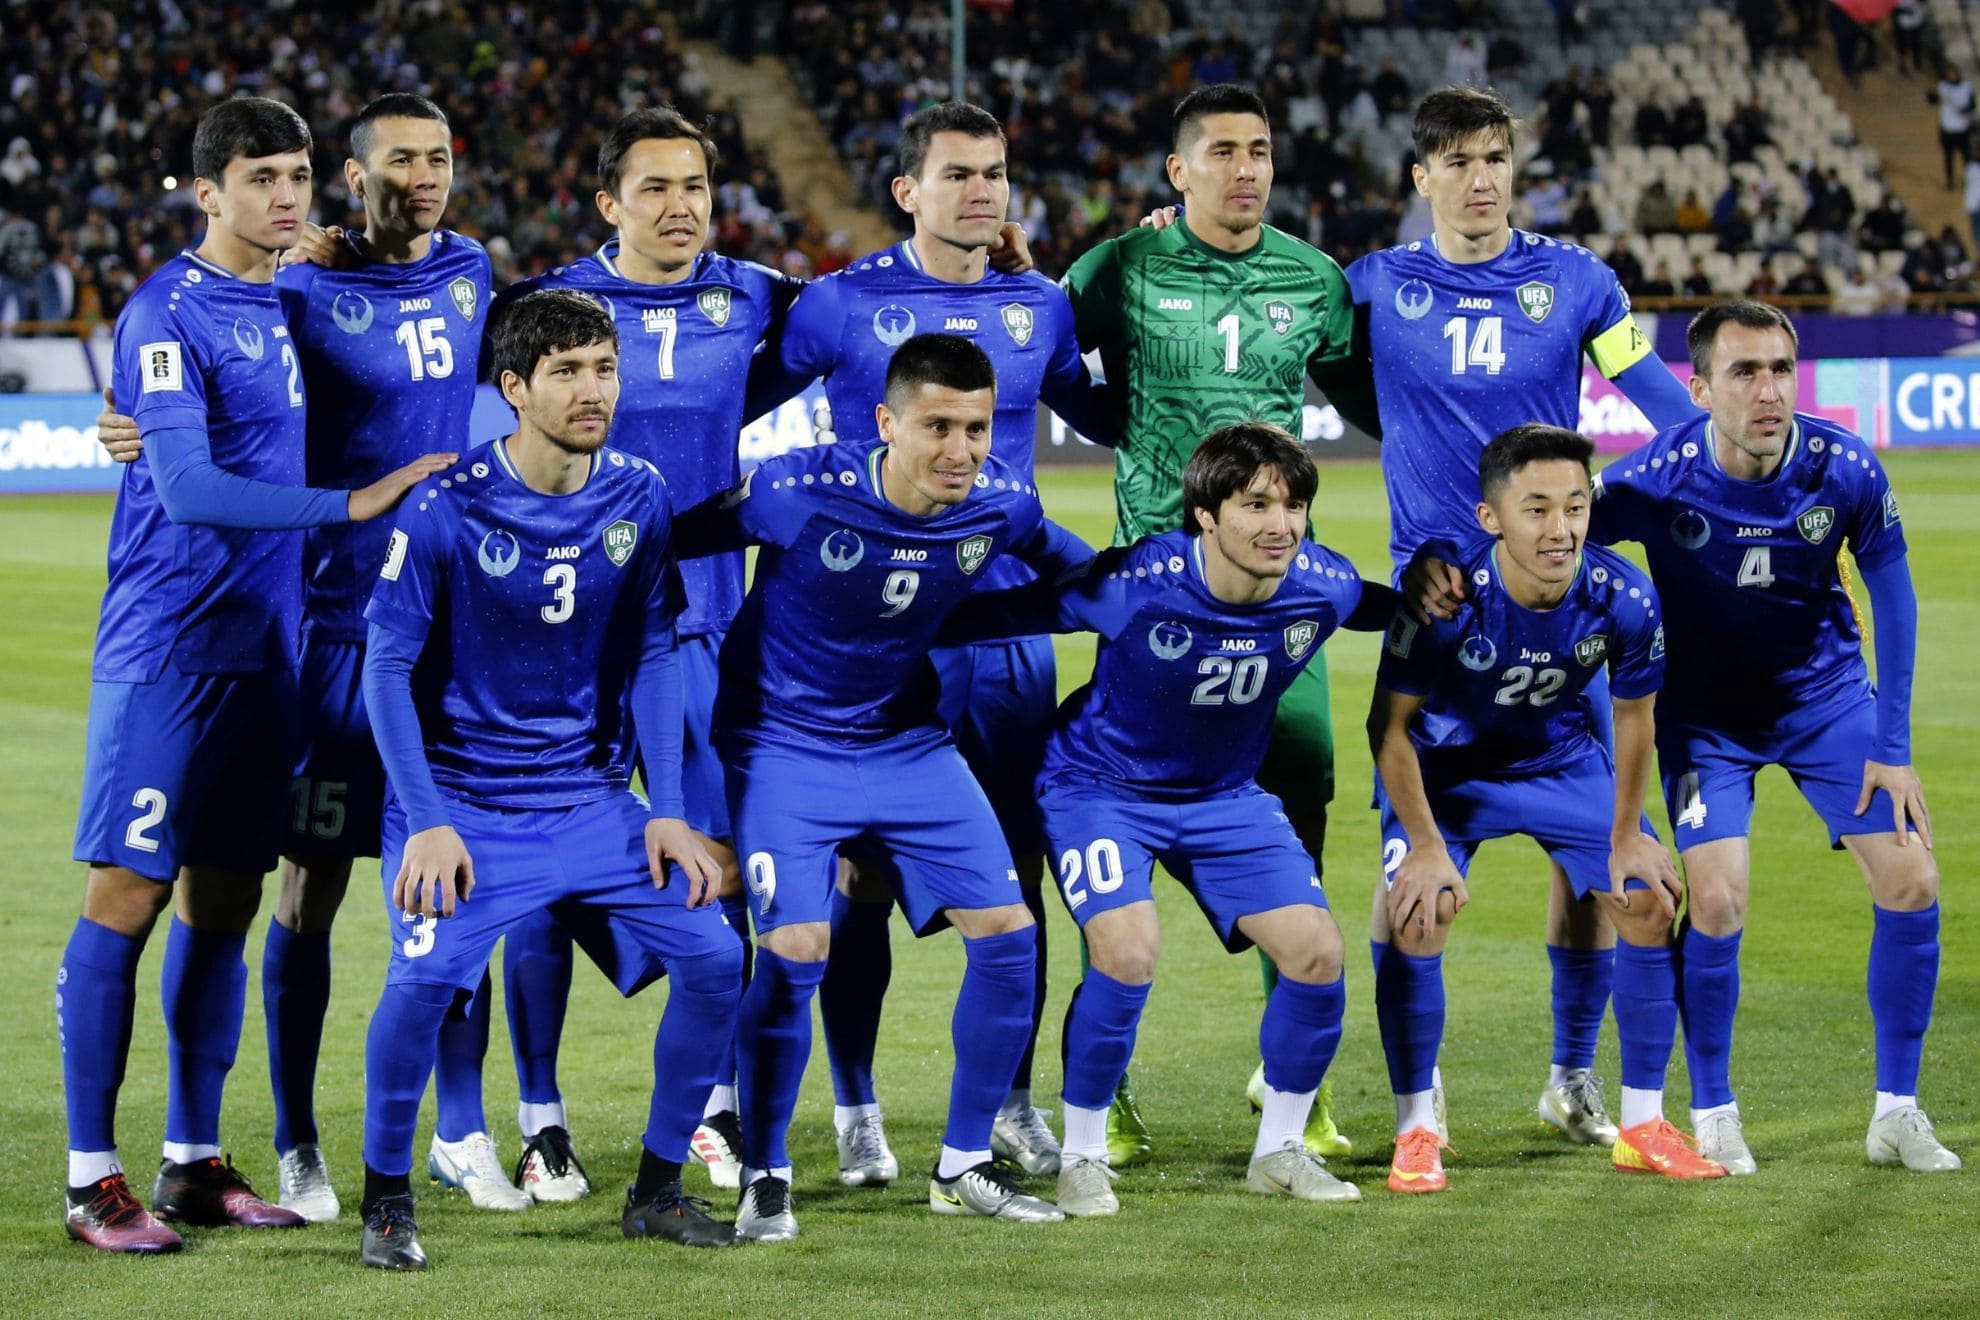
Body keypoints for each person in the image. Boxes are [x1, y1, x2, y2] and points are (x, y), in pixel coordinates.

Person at [90, 93, 521, 1219]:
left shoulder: (474, 269)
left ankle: (457, 1130)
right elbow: (188, 419)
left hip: (429, 631)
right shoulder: (293, 287)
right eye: (397, 162)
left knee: (453, 883)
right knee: (271, 893)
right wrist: (127, 414)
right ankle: (276, 1144)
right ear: (356, 179)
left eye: (439, 158)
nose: (421, 178)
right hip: (303, 634)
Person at [743, 99, 1114, 1189]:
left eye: (994, 173)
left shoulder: (1039, 305)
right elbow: (747, 390)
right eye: (957, 175)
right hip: (873, 641)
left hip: (1001, 632)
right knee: (857, 879)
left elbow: (1097, 415)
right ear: (909, 191)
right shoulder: (842, 304)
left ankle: (1008, 1104)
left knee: (1017, 874)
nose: (981, 192)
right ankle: (856, 1109)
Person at [354, 288, 743, 1269]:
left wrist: (672, 813)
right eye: (566, 371)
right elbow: (386, 667)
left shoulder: (640, 493)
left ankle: (657, 1190)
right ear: (514, 388)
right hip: (464, 806)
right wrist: (428, 821)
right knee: (429, 977)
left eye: (604, 368)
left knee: (713, 955)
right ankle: (386, 1196)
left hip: (588, 801)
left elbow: (655, 650)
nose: (592, 389)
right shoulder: (446, 506)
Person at [1341, 85, 1696, 1149]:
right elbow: (1276, 344)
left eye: (1494, 157)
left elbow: (1667, 414)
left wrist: (1681, 487)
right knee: (1412, 889)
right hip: (1444, 629)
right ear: (1421, 178)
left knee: (1601, 871)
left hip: (1559, 618)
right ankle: (1417, 1107)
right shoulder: (1371, 286)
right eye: (1455, 161)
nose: (1480, 178)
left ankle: (1572, 1078)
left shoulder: (1578, 283)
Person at [676, 333, 1090, 1240]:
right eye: (937, 425)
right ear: (884, 423)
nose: (960, 450)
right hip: (781, 743)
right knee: (794, 950)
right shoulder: (797, 491)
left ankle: (962, 1164)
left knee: (1011, 934)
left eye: (977, 428)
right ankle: (767, 1172)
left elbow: (1080, 568)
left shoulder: (998, 505)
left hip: (906, 743)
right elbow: (671, 541)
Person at [943, 422, 1395, 1214]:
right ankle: (1082, 1154)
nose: (1278, 524)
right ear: (1206, 517)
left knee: (1318, 953)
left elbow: (1385, 609)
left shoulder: (1325, 585)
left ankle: (1281, 1149)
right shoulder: (1136, 582)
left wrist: (1445, 591)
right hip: (1099, 788)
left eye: (1293, 506)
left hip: (1223, 797)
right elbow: (1012, 611)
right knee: (1127, 950)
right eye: (1254, 504)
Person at [1062, 81, 1368, 1167]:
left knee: (1307, 783)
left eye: (1262, 151)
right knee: (1123, 819)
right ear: (1177, 172)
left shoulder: (1314, 278)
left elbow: (1371, 394)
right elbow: (1056, 364)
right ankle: (1112, 1078)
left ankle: (1291, 1073)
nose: (1247, 169)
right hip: (1156, 585)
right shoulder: (1120, 268)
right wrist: (1127, 419)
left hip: (1275, 592)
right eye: (1223, 152)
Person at [1586, 302, 1957, 1176]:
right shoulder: (1654, 478)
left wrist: (1893, 747)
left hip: (1826, 703)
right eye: (1745, 372)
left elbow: (1894, 601)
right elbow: (1564, 551)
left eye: (1781, 369)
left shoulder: (1844, 468)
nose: (1768, 390)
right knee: (1715, 902)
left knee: (1913, 881)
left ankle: (1897, 1110)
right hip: (1703, 721)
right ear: (1701, 388)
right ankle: (1712, 1109)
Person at [1370, 424, 1723, 1192]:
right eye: (1535, 509)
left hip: (1560, 761)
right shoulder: (1444, 598)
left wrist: (1628, 834)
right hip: (1446, 772)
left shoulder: (1621, 596)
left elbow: (1635, 718)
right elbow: (1387, 731)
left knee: (1647, 898)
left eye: (1574, 507)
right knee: (1416, 909)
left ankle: (1639, 1121)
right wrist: (1425, 844)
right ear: (1491, 517)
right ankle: (1417, 1126)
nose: (1559, 529)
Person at [1934, 66, 1975, 189]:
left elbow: (1972, 105)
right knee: (1948, 158)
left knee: (1967, 158)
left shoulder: (1967, 87)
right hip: (1948, 128)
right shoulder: (1942, 87)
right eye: (1950, 74)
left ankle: (1969, 180)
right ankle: (1950, 181)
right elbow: (1933, 99)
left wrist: (1964, 110)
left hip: (1963, 128)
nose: (1953, 76)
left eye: (1955, 74)